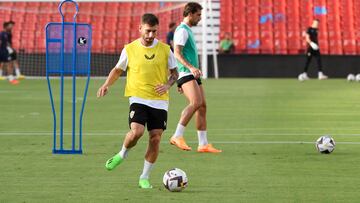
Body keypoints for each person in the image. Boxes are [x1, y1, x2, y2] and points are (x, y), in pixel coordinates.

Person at [97, 13, 178, 189]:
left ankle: (144, 177)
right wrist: (106, 84)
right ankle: (122, 153)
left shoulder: (165, 49)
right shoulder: (129, 49)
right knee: (137, 132)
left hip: (160, 100)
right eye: (148, 31)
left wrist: (168, 85)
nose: (150, 35)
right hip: (138, 97)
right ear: (140, 28)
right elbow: (118, 70)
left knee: (155, 138)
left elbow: (174, 73)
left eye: (154, 32)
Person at [170, 2, 222, 153]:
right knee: (196, 102)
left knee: (202, 106)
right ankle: (177, 135)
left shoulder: (187, 30)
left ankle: (203, 144)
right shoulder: (182, 31)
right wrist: (191, 68)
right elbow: (177, 53)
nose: (200, 18)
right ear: (190, 13)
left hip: (191, 73)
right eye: (198, 15)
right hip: (187, 73)